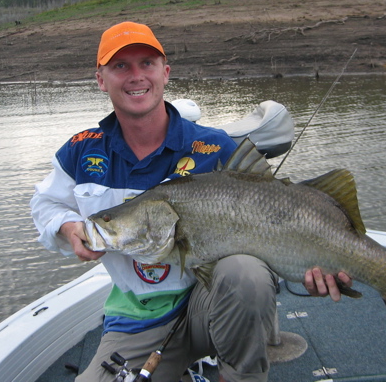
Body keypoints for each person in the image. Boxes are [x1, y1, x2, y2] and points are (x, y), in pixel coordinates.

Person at [30, 21, 352, 382]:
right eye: (121, 66)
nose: (136, 76)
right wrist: (69, 226)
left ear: (165, 73)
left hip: (215, 304)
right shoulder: (81, 151)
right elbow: (44, 205)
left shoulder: (217, 148)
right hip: (139, 317)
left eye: (147, 64)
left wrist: (313, 261)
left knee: (247, 275)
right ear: (101, 79)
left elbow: (276, 221)